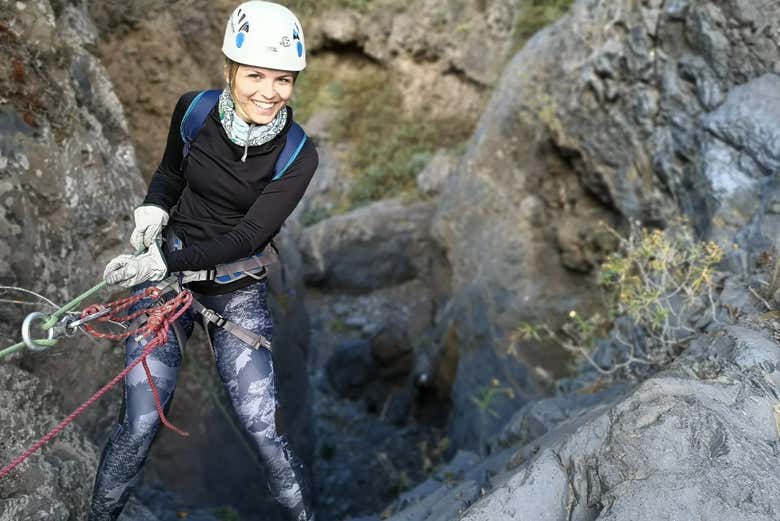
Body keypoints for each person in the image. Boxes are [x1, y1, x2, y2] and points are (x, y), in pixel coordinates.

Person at [89, 2, 317, 520]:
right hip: (167, 279)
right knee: (141, 424)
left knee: (265, 431)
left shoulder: (298, 154)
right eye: (255, 74)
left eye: (283, 79)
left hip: (233, 288)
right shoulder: (194, 110)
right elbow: (171, 173)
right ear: (230, 71)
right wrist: (153, 207)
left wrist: (161, 267)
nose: (269, 91)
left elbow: (249, 235)